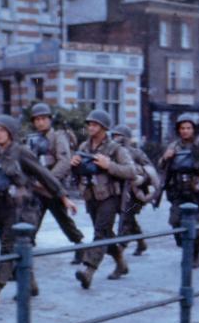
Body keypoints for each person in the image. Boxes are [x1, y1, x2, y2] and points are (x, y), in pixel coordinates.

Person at [0, 114, 77, 307]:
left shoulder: (21, 152)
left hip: (21, 209)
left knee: (7, 248)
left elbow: (43, 174)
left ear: (11, 133)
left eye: (2, 130)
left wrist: (63, 197)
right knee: (17, 249)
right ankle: (30, 284)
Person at [70, 110, 137, 288]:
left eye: (95, 124)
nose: (90, 127)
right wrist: (74, 164)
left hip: (110, 196)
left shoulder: (116, 149)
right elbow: (79, 171)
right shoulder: (84, 147)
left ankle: (88, 271)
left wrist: (109, 166)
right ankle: (121, 264)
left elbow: (131, 171)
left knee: (100, 233)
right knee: (106, 233)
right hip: (91, 196)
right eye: (89, 124)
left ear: (104, 128)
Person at [157, 114, 199, 268]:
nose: (185, 131)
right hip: (178, 190)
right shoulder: (173, 146)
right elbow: (161, 166)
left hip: (197, 190)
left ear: (194, 129)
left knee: (196, 225)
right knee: (175, 222)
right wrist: (166, 158)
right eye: (182, 128)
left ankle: (194, 254)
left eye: (188, 128)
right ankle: (186, 248)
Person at [26, 103, 85, 255]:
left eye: (43, 119)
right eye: (37, 119)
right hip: (37, 188)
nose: (40, 122)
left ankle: (80, 246)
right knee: (31, 221)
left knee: (64, 221)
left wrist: (47, 180)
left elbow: (64, 162)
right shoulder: (33, 139)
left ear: (50, 120)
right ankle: (25, 251)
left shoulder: (58, 137)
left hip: (53, 188)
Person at [110, 124, 158, 256]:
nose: (116, 139)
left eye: (119, 136)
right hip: (120, 193)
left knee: (126, 218)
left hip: (137, 195)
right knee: (127, 217)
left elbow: (151, 170)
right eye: (114, 136)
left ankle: (120, 248)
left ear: (126, 138)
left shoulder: (137, 153)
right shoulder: (112, 152)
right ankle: (141, 242)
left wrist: (142, 178)